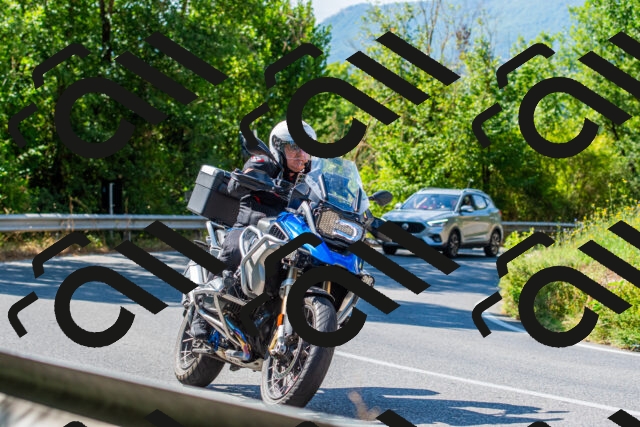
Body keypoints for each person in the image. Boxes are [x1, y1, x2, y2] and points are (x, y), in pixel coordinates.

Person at [190, 120, 315, 340]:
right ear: (279, 147)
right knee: (235, 249)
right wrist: (258, 180)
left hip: (288, 235)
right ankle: (201, 313)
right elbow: (235, 185)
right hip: (253, 227)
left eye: (306, 149)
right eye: (294, 147)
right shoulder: (264, 162)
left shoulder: (312, 177)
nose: (301, 155)